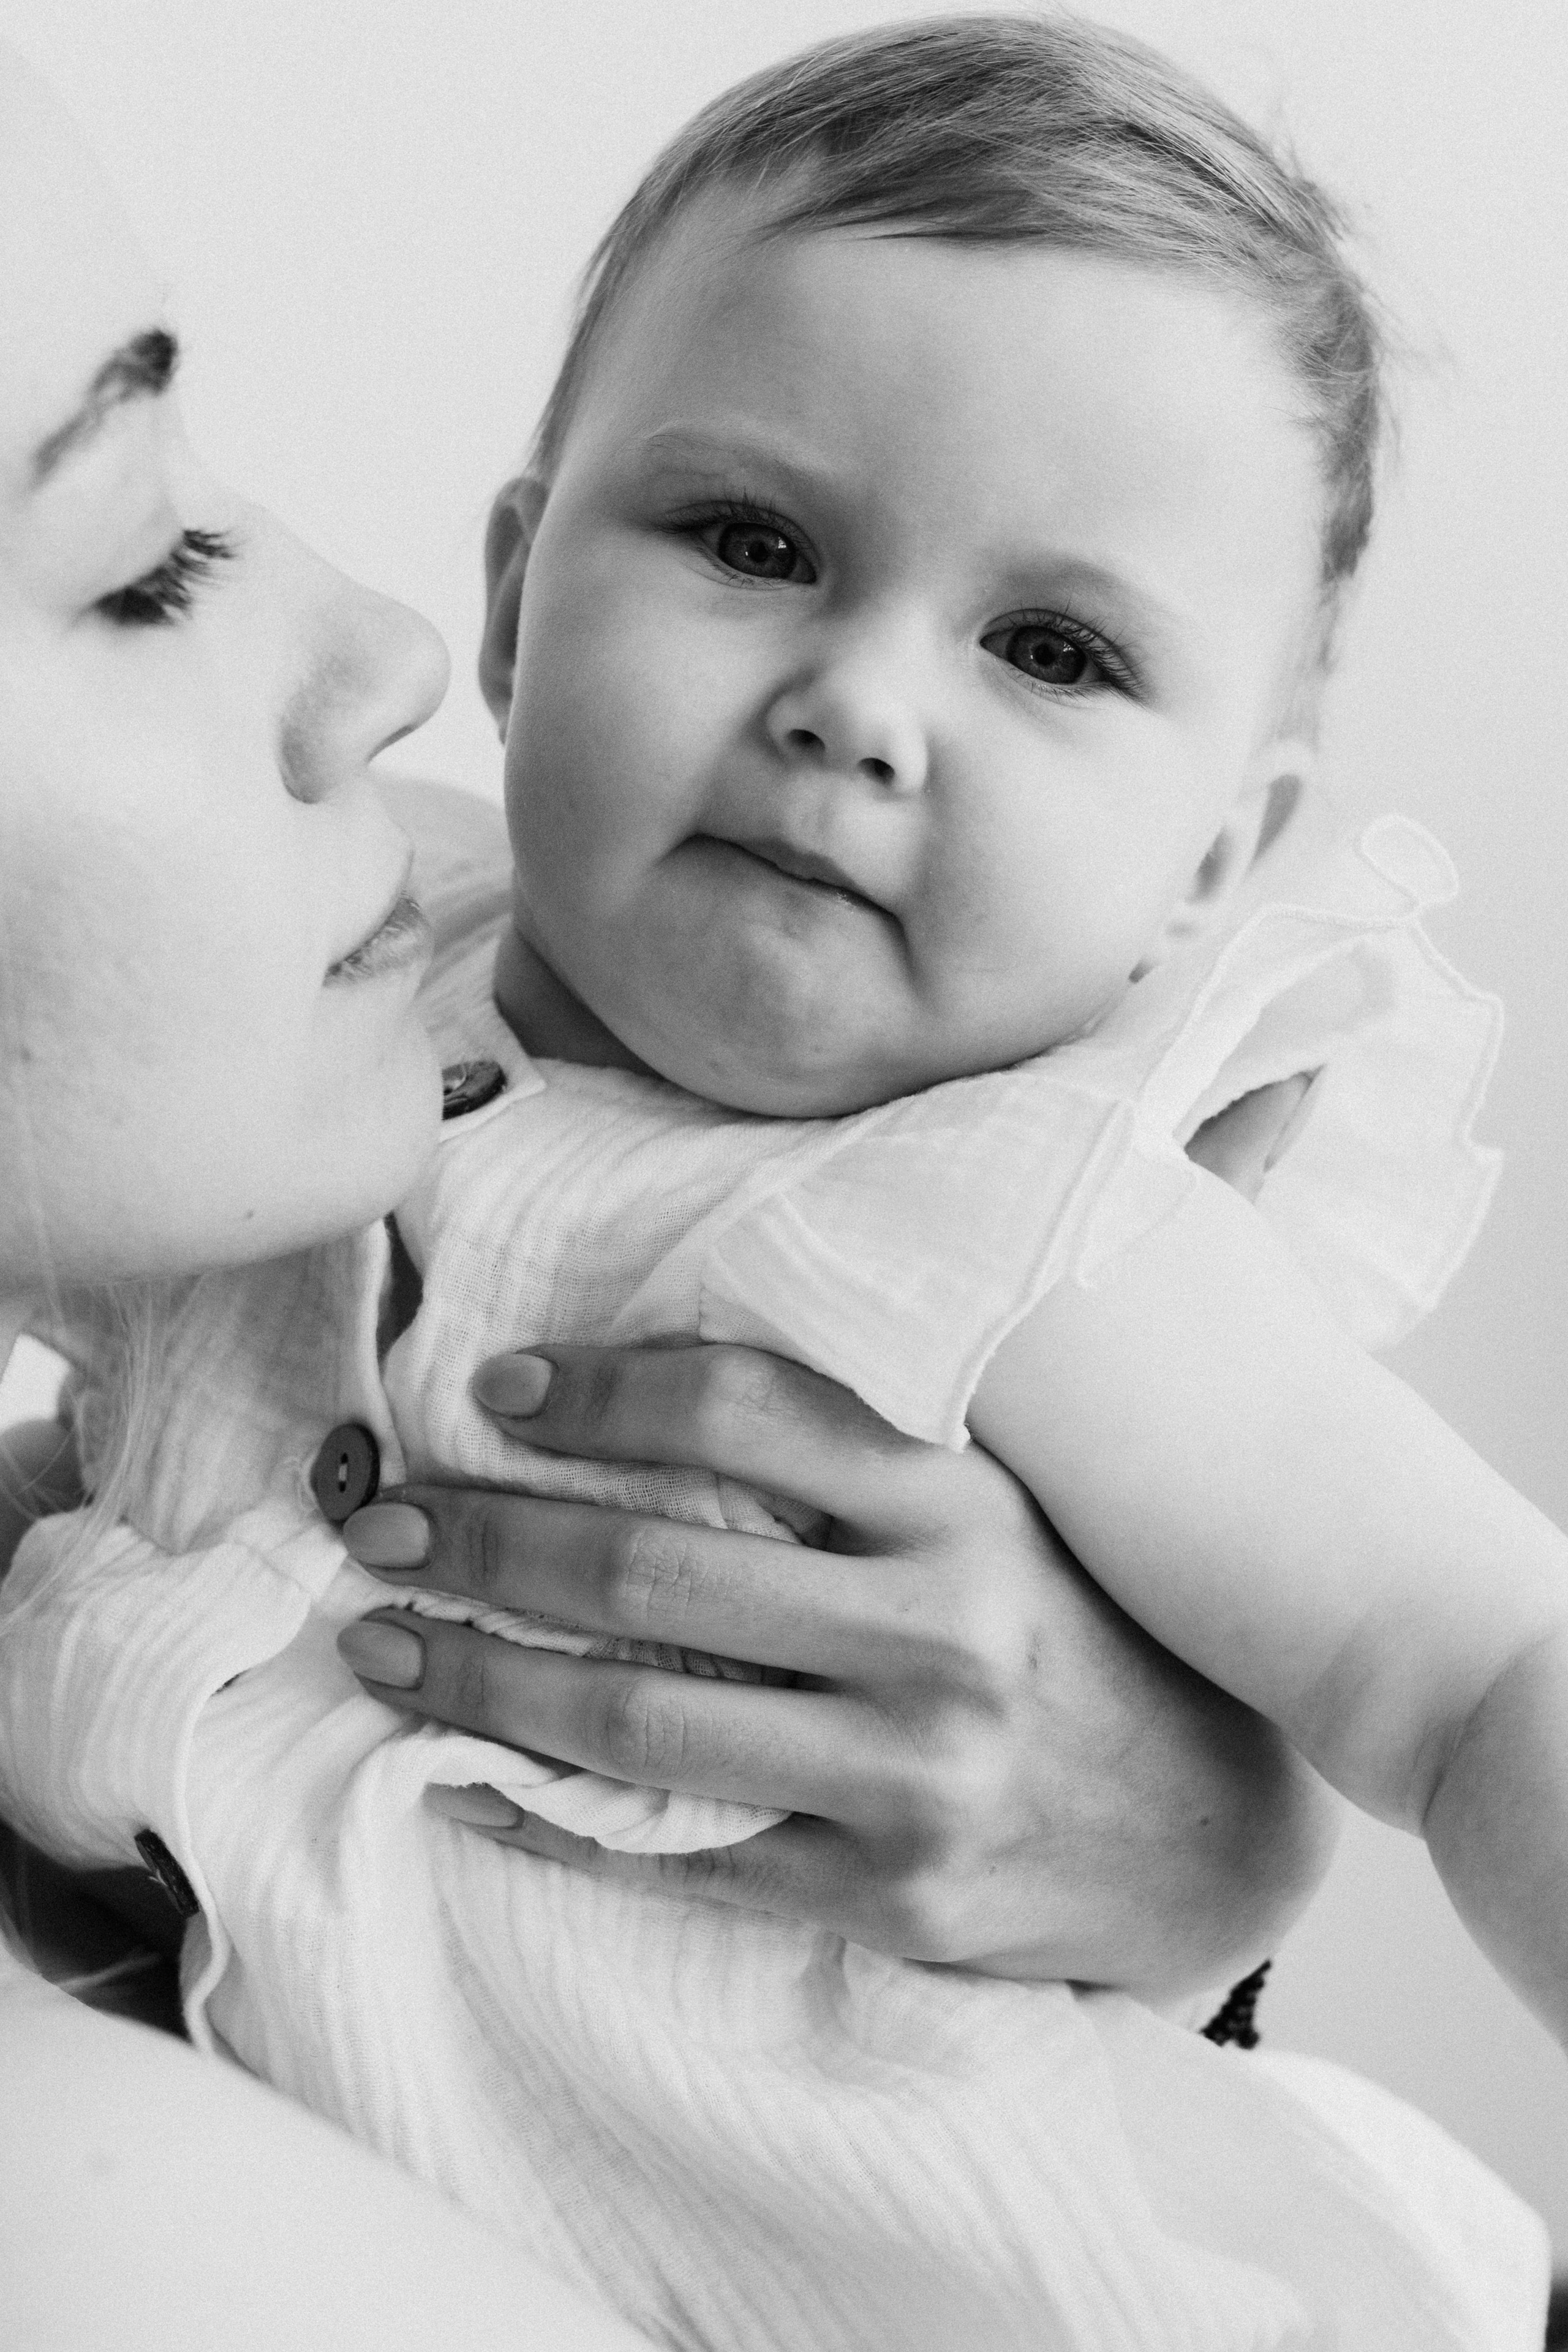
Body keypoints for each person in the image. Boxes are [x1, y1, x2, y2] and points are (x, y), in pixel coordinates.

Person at [2, 15, 1556, 2349]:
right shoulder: (304, 999)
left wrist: (1228, 1846)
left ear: (1211, 861)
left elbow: (1482, 1671)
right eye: (754, 542)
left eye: (1052, 648)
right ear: (519, 605)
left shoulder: (1027, 1223)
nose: (861, 701)